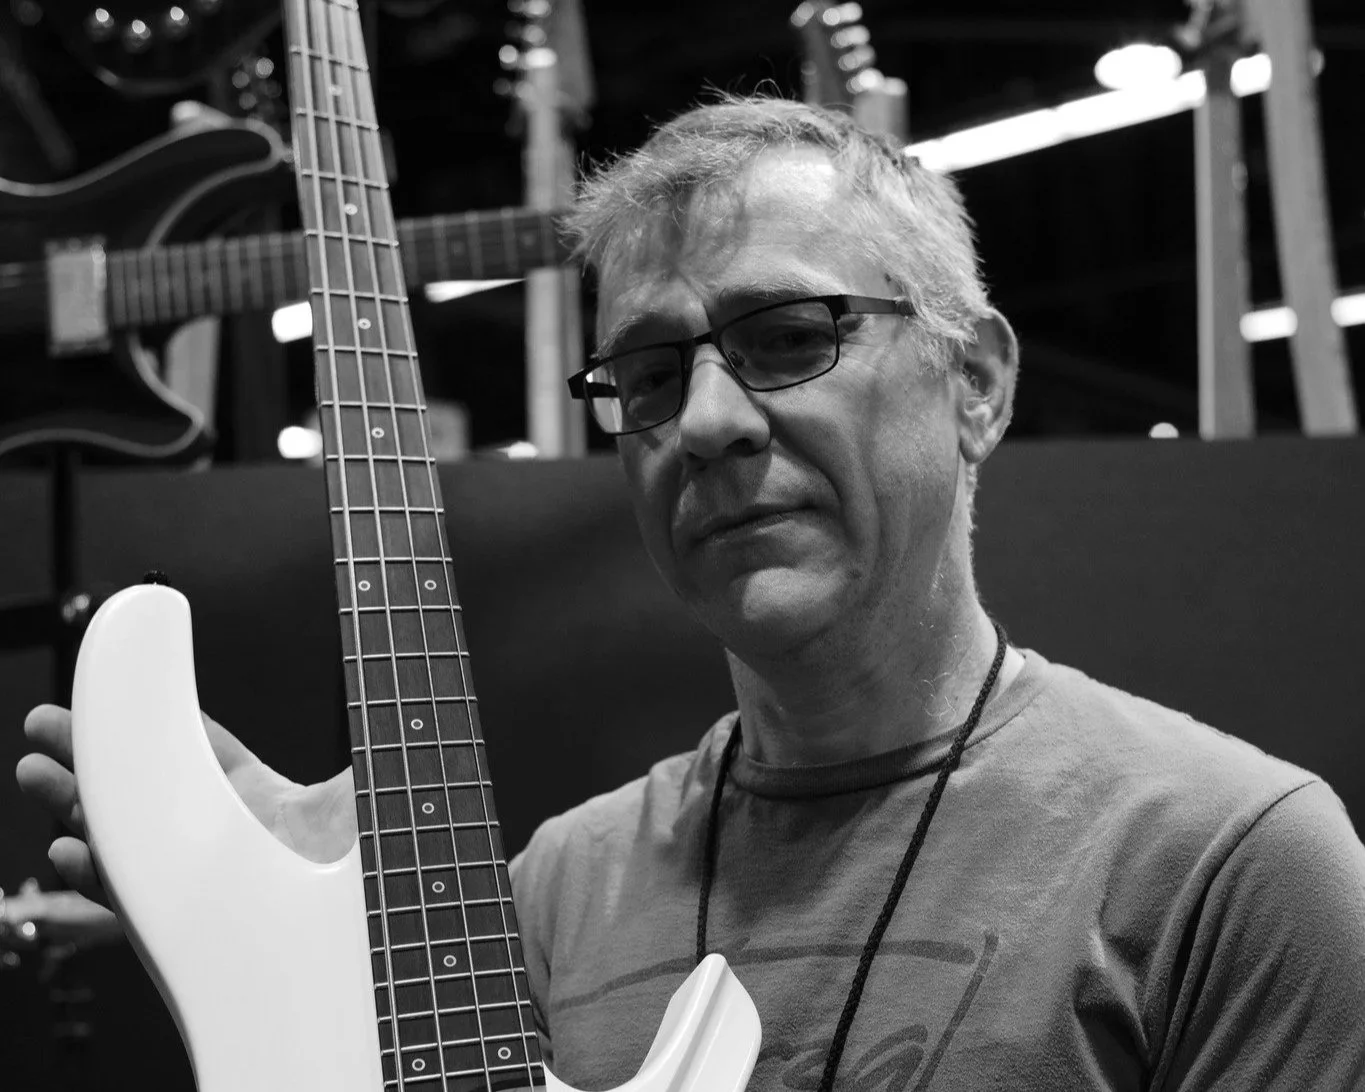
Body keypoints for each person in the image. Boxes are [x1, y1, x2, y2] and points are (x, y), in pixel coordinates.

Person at [17, 95, 1365, 1090]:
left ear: (978, 382)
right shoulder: (552, 892)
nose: (705, 421)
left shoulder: (1235, 868)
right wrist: (299, 989)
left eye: (787, 337)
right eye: (650, 376)